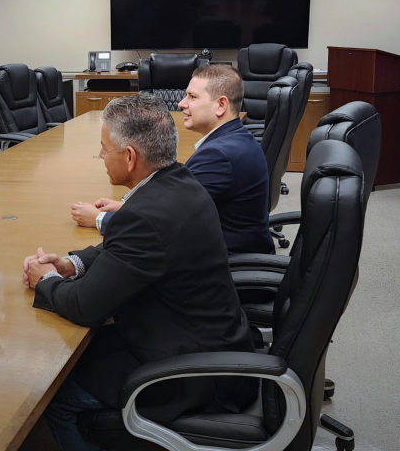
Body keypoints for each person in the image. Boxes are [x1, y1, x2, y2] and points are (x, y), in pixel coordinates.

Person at [22, 96, 255, 451]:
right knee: (75, 358)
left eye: (104, 150)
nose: (101, 158)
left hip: (191, 373)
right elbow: (124, 248)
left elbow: (85, 306)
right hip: (208, 339)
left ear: (130, 157)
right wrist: (73, 265)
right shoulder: (179, 182)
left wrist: (47, 280)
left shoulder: (143, 215)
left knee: (54, 396)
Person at [70, 65, 272, 254]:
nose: (181, 103)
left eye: (192, 97)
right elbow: (175, 201)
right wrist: (126, 207)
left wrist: (100, 219)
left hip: (227, 261)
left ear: (220, 105)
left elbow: (168, 220)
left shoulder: (219, 156)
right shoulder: (232, 140)